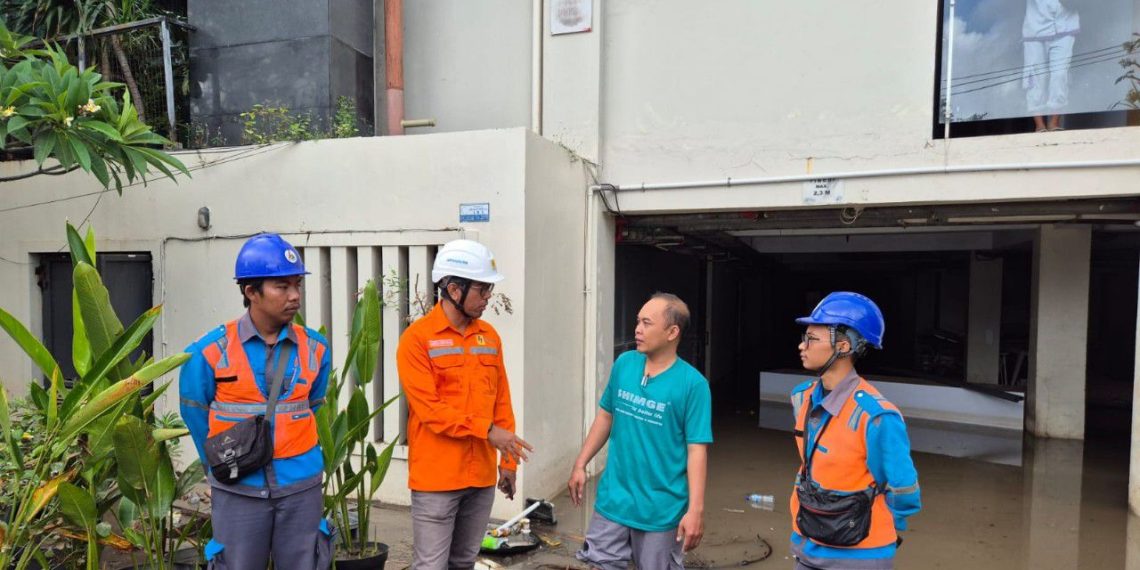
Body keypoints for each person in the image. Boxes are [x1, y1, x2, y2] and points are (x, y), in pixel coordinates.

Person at [179, 233, 332, 569]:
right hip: (238, 489)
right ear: (251, 291)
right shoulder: (208, 351)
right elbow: (194, 414)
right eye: (282, 286)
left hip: (300, 488)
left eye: (297, 285)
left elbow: (315, 406)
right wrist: (222, 467)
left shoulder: (317, 348)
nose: (294, 296)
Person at [397, 239, 533, 570]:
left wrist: (509, 463)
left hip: (481, 477)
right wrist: (487, 431)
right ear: (454, 289)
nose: (488, 298)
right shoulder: (416, 340)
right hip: (437, 480)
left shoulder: (489, 336)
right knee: (431, 565)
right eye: (482, 290)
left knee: (463, 563)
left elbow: (502, 401)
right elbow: (430, 410)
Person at [568, 292, 713, 570]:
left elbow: (697, 450)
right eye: (638, 321)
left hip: (661, 510)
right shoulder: (625, 363)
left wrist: (695, 510)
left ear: (672, 332)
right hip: (613, 501)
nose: (637, 329)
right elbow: (606, 415)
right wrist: (580, 463)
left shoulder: (693, 385)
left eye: (647, 323)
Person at [788, 292, 921, 570]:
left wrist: (878, 524)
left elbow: (903, 490)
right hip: (807, 541)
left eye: (811, 339)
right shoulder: (802, 398)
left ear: (844, 345)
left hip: (860, 553)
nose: (802, 346)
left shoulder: (876, 416)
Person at [1023, 0, 1079, 132]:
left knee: (1060, 74)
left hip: (1065, 25)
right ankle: (1039, 124)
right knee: (1036, 77)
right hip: (1035, 28)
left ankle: (1054, 122)